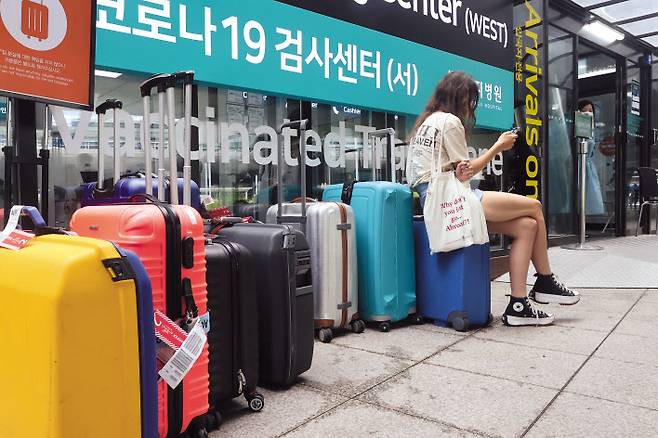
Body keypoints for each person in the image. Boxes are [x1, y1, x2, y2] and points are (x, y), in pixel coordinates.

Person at [406, 71, 580, 327]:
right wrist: (498, 146)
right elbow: (465, 173)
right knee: (535, 206)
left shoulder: (427, 123)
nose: (469, 107)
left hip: (436, 203)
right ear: (459, 98)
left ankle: (518, 305)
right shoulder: (449, 121)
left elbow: (449, 172)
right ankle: (545, 280)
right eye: (468, 100)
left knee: (526, 226)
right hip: (453, 199)